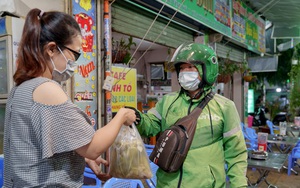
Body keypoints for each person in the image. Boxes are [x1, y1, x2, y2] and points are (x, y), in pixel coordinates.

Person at [3, 9, 136, 187]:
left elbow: (39, 144)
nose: (74, 62)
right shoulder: (47, 89)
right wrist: (122, 115)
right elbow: (94, 147)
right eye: (75, 54)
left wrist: (79, 157)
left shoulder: (20, 88)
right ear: (51, 49)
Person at [133, 43, 248, 187]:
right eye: (181, 68)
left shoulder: (224, 107)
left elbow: (236, 154)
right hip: (168, 184)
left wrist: (239, 185)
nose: (184, 72)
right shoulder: (169, 101)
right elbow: (150, 125)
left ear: (206, 70)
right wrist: (137, 118)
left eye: (190, 67)